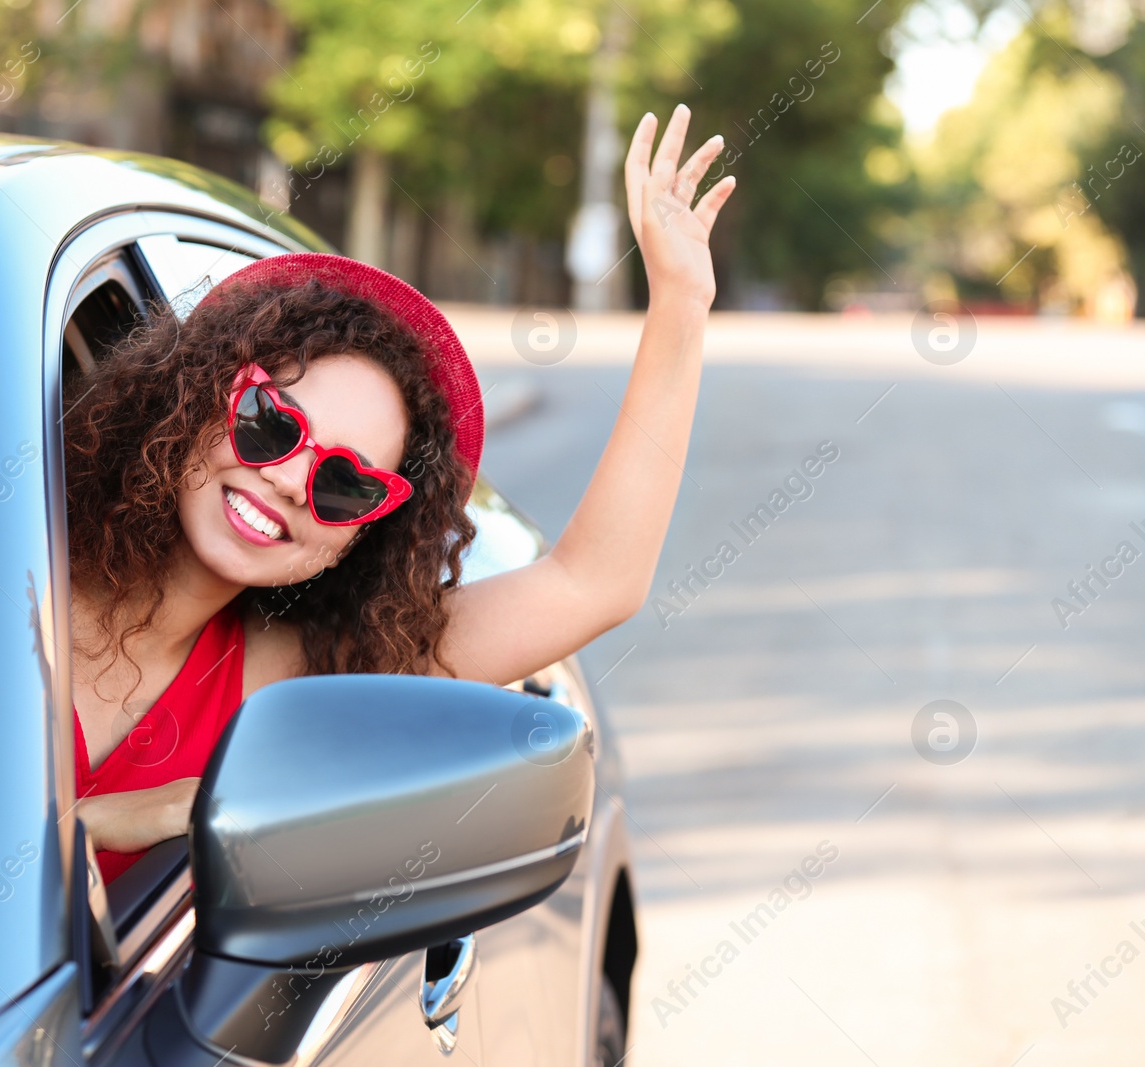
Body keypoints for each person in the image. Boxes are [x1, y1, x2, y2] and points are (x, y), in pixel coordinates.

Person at [67, 103, 736, 883]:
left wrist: (681, 308)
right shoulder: (0, 573)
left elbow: (592, 582)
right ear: (196, 398)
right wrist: (97, 826)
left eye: (345, 483)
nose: (287, 478)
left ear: (362, 535)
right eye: (268, 422)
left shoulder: (295, 682)